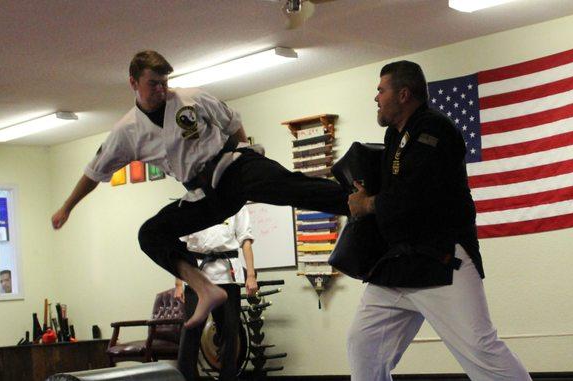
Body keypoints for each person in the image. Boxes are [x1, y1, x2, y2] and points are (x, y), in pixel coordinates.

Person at [51, 50, 349, 329]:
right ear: (133, 83)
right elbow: (94, 172)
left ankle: (355, 202)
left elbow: (232, 124)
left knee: (286, 186)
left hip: (231, 167)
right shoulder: (126, 132)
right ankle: (205, 288)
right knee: (151, 233)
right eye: (153, 83)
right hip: (202, 194)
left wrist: (248, 154)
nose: (160, 89)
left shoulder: (191, 98)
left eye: (164, 82)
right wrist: (67, 207)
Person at [345, 61, 531, 380]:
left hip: (441, 260)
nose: (376, 97)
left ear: (403, 94)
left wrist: (367, 204)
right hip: (399, 263)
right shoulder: (394, 137)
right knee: (363, 343)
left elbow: (413, 197)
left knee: (481, 350)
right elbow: (392, 189)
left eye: (381, 90)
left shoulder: (435, 130)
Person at [174, 206, 257, 381]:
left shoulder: (236, 204)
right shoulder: (190, 203)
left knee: (229, 332)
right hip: (197, 277)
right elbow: (180, 247)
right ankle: (187, 377)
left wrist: (250, 275)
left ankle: (228, 377)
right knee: (190, 333)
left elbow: (246, 241)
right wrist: (178, 283)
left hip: (227, 277)